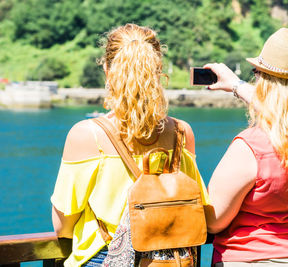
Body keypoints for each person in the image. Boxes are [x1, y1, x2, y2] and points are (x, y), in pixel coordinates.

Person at [51, 23, 209, 267]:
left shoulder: (87, 135)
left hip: (105, 258)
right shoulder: (181, 132)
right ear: (157, 70)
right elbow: (199, 205)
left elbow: (63, 227)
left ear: (107, 69)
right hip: (171, 260)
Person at [204, 28, 288, 266]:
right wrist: (236, 85)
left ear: (264, 81)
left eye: (257, 74)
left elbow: (214, 220)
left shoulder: (250, 146)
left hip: (253, 259)